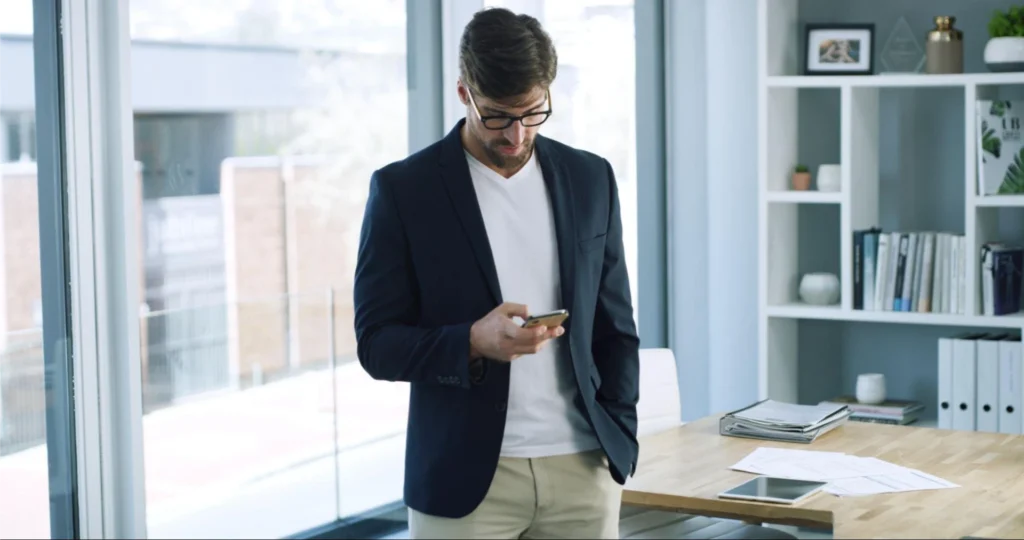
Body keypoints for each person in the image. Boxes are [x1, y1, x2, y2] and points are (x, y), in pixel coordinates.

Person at [353, 6, 639, 539]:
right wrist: (471, 342)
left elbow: (615, 324)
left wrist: (620, 432)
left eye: (532, 113)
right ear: (465, 93)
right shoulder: (404, 191)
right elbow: (376, 343)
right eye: (498, 116)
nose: (516, 135)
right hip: (464, 483)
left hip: (582, 467)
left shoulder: (590, 177)